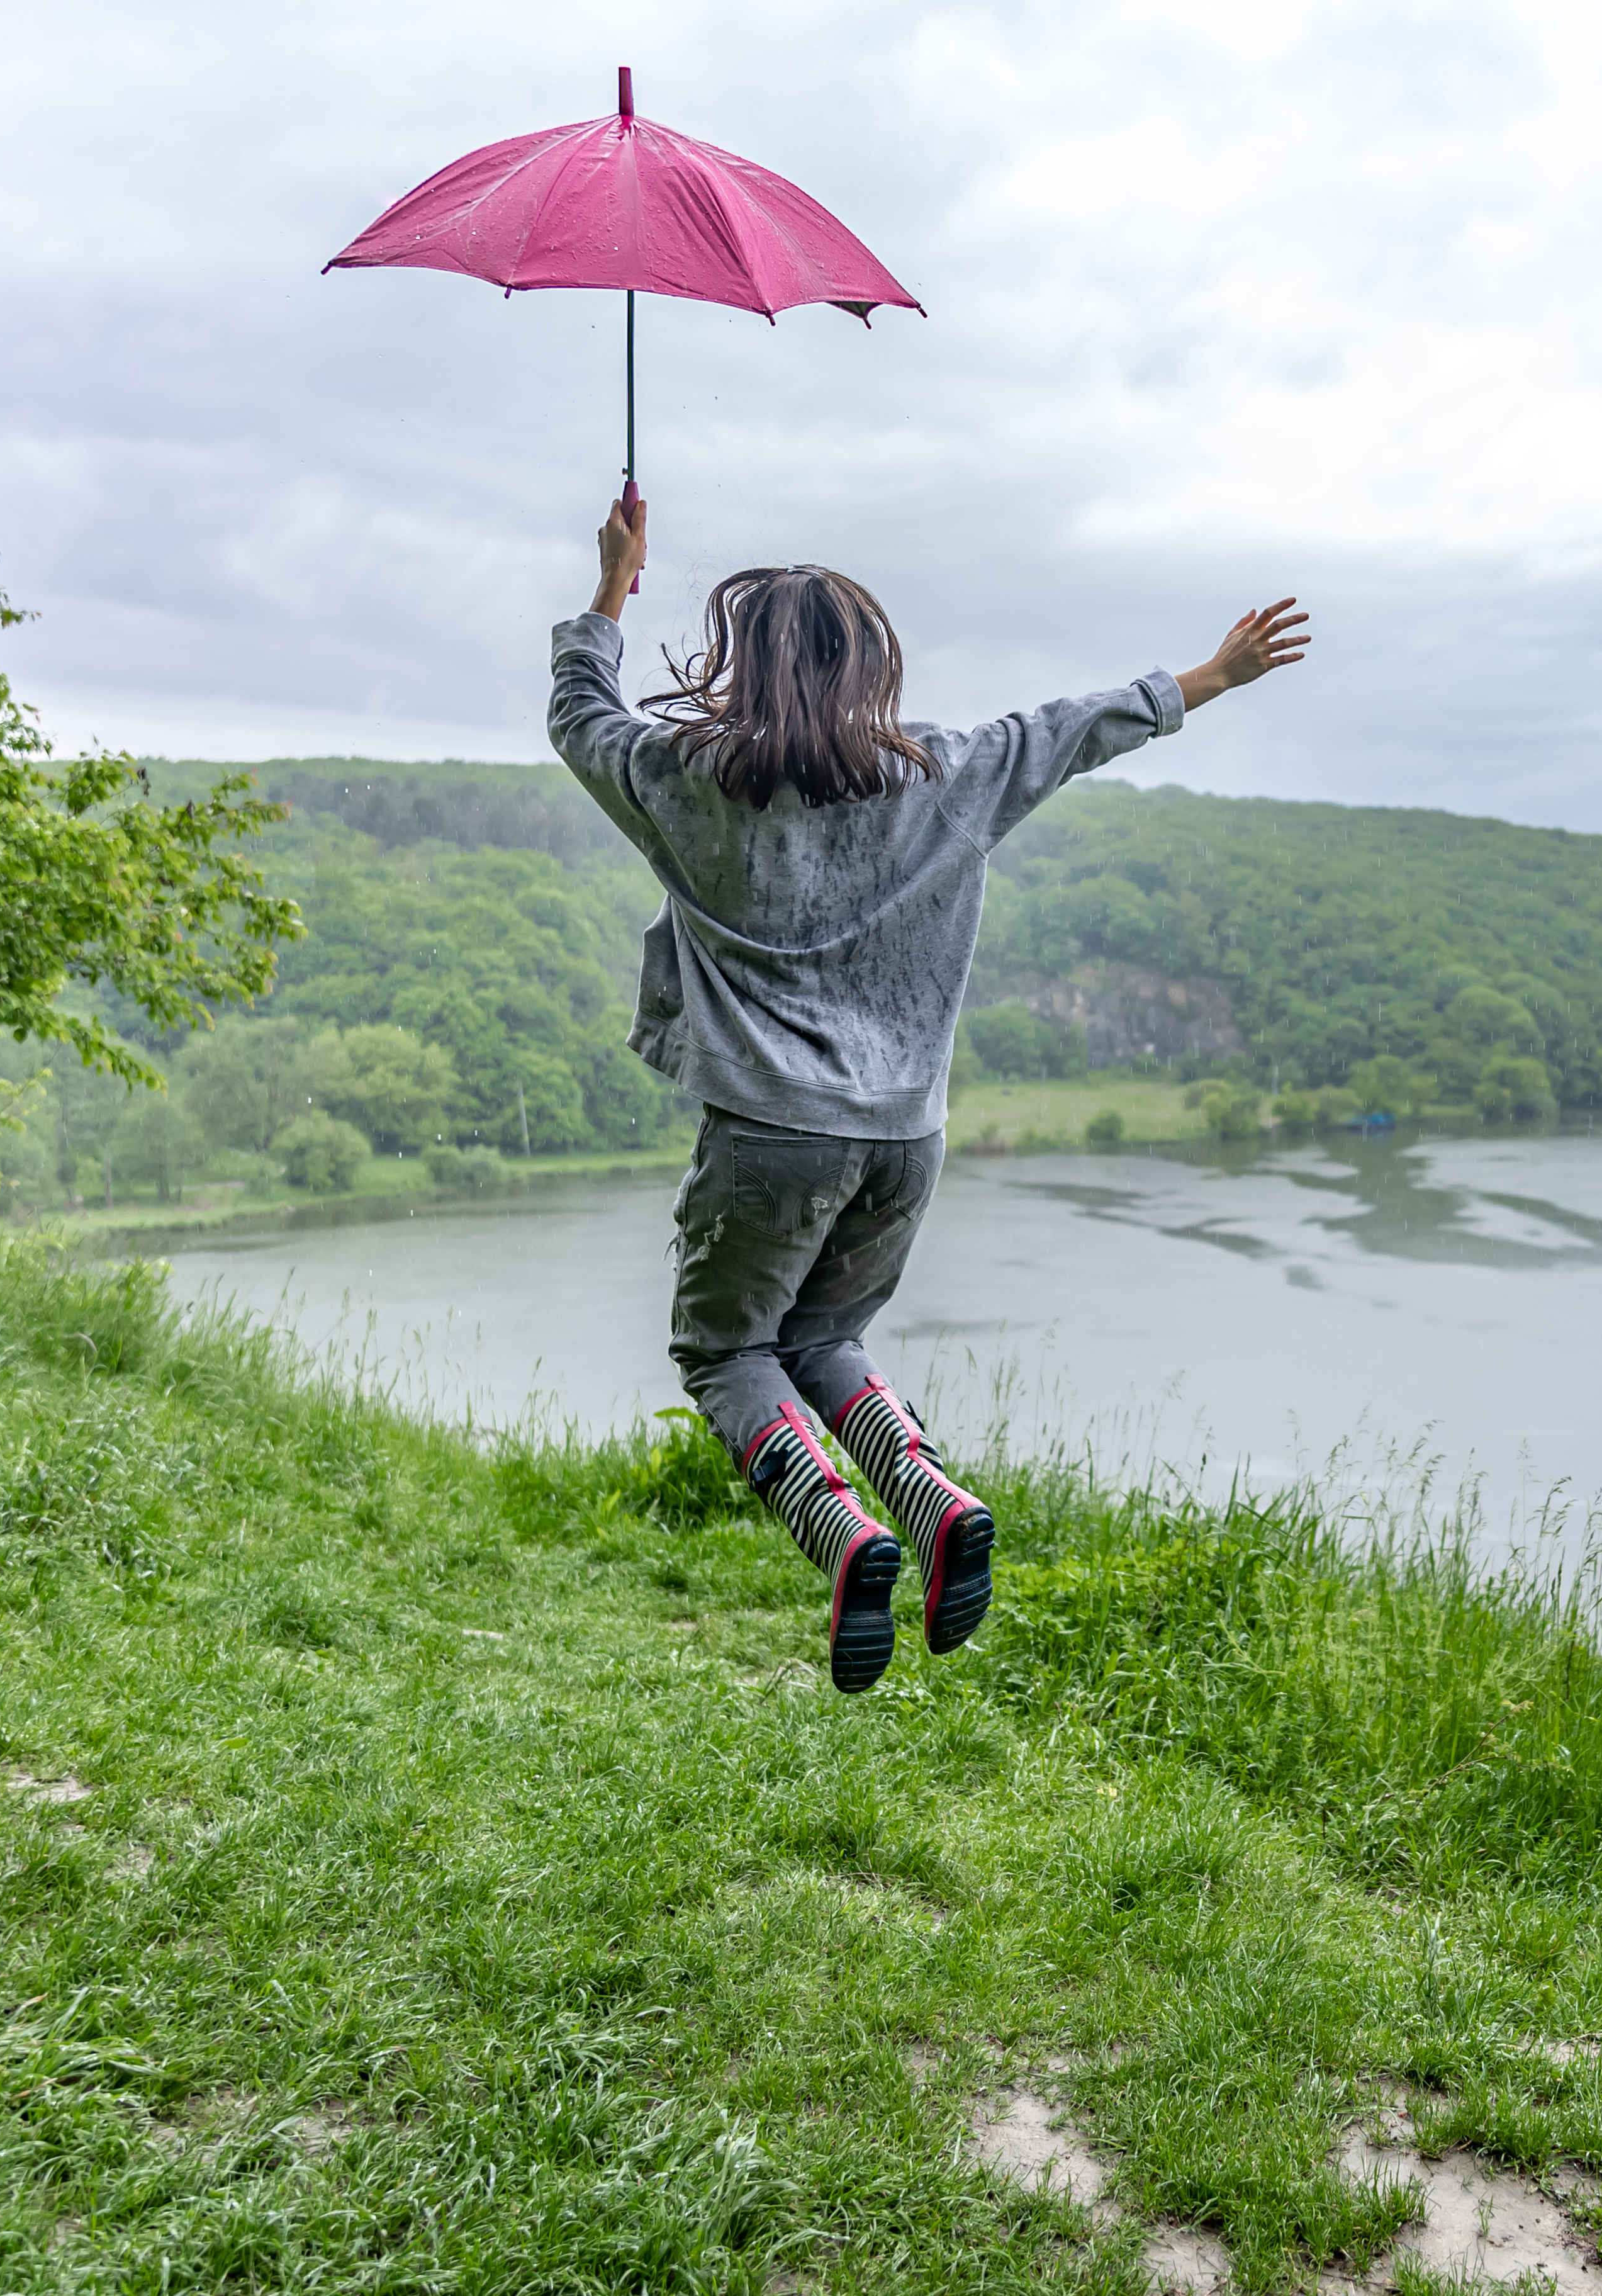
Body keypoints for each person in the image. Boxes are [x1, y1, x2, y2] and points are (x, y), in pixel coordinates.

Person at [548, 494, 1308, 1692]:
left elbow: (579, 717)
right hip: (908, 1139)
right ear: (869, 668)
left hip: (769, 1138)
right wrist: (1213, 675)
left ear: (743, 667)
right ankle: (936, 1504)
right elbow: (1074, 727)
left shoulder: (680, 779)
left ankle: (847, 1538)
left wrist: (611, 586)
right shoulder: (949, 774)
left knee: (727, 1351)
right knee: (829, 1336)